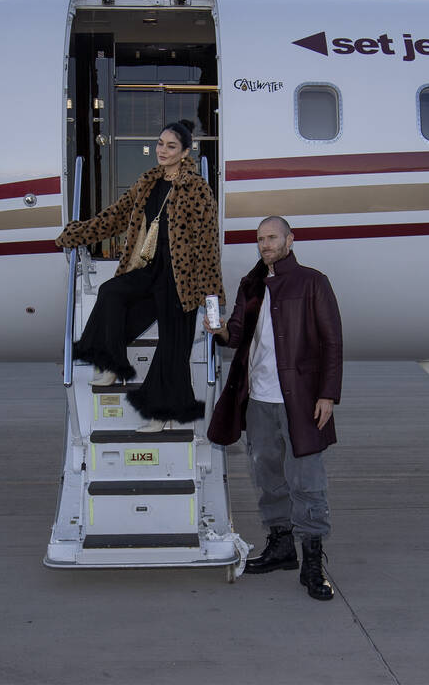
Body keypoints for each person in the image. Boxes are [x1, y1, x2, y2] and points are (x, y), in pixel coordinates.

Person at [206, 216, 342, 600]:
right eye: (260, 240)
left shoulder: (312, 282)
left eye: (272, 238)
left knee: (307, 481)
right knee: (266, 477)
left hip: (301, 401)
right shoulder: (251, 284)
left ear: (289, 240)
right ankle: (281, 545)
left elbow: (333, 342)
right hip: (259, 400)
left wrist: (327, 394)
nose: (266, 245)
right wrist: (219, 331)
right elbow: (236, 334)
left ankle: (312, 562)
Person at [56, 120, 223, 432]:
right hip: (149, 269)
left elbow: (209, 249)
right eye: (160, 143)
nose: (162, 150)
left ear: (185, 152)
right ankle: (110, 363)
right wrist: (77, 233)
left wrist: (212, 308)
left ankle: (163, 415)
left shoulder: (198, 190)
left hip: (181, 280)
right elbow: (115, 217)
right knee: (111, 292)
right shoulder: (147, 182)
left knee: (173, 347)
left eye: (171, 146)